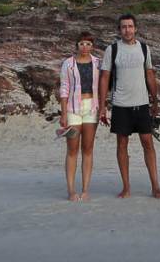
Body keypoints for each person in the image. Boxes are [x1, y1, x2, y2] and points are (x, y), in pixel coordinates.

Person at [98, 13, 160, 198]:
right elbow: (104, 78)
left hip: (142, 103)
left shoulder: (144, 49)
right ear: (119, 30)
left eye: (130, 26)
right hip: (120, 105)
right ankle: (126, 187)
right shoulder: (112, 50)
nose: (127, 30)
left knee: (148, 143)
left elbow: (150, 74)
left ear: (136, 28)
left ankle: (156, 187)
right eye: (123, 27)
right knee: (122, 144)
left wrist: (155, 100)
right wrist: (102, 104)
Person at [59, 31, 101, 201]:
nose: (85, 47)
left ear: (92, 46)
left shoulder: (98, 63)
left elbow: (103, 85)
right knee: (72, 149)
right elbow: (64, 87)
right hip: (72, 109)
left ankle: (85, 189)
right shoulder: (68, 63)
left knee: (88, 148)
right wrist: (63, 113)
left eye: (88, 44)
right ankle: (71, 190)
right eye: (82, 43)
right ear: (77, 45)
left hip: (92, 109)